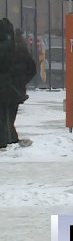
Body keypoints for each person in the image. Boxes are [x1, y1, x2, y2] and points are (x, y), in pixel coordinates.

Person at [9, 25, 36, 145]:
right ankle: (11, 138)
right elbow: (32, 68)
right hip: (18, 88)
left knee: (6, 116)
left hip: (8, 87)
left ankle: (10, 139)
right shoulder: (23, 49)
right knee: (11, 114)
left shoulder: (7, 49)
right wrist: (23, 81)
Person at [0, 18, 17, 150]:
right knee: (4, 114)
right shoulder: (11, 46)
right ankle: (5, 139)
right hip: (6, 85)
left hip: (4, 84)